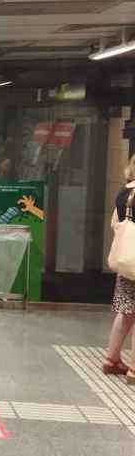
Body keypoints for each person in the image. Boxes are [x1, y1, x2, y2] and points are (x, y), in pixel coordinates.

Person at [103, 154, 135, 383]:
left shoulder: (123, 193)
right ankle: (134, 369)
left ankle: (111, 359)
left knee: (125, 312)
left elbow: (116, 225)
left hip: (126, 261)